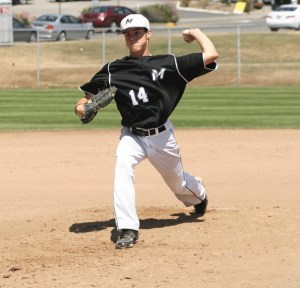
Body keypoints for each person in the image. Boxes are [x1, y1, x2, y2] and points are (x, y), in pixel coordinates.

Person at [74, 14, 218, 249]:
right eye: (128, 34)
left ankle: (198, 195)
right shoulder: (113, 69)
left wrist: (196, 33)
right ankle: (128, 228)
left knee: (178, 184)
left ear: (148, 33)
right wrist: (83, 108)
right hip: (132, 135)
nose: (132, 37)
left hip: (162, 136)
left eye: (137, 32)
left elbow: (211, 55)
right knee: (122, 165)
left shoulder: (169, 63)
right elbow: (83, 101)